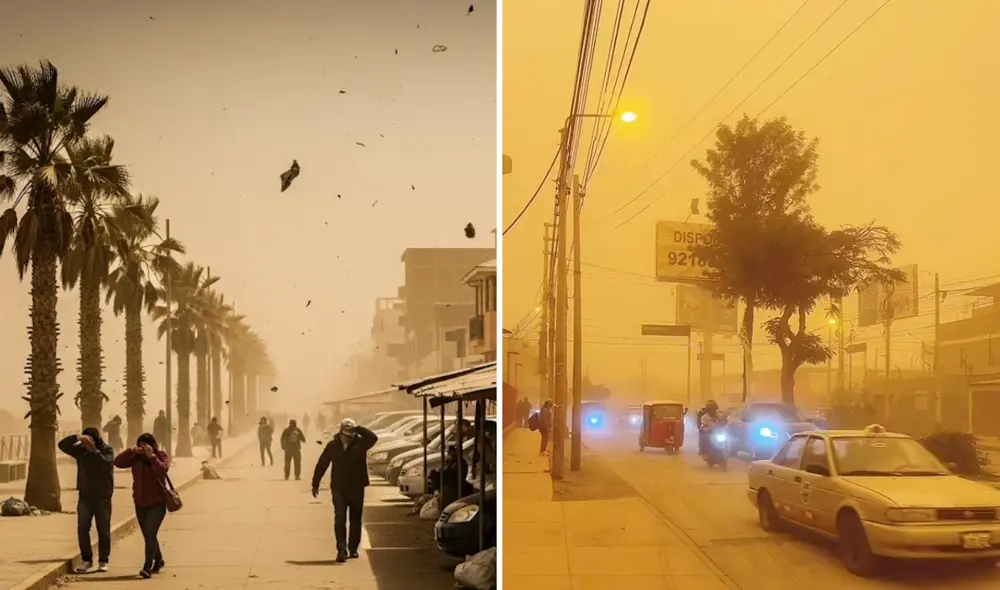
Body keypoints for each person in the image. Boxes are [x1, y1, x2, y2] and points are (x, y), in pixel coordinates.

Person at [311, 418, 378, 562]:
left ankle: (353, 548)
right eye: (345, 435)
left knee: (355, 519)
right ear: (340, 433)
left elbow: (373, 438)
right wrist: (315, 483)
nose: (347, 438)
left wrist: (358, 428)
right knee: (340, 518)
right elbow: (322, 463)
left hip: (356, 487)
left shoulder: (361, 443)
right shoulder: (333, 446)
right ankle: (341, 550)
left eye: (350, 435)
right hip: (339, 488)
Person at [113, 433, 170, 579]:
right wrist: (131, 451)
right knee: (148, 534)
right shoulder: (135, 458)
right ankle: (159, 560)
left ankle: (147, 566)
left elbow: (163, 470)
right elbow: (117, 462)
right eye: (140, 445)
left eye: (145, 445)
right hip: (140, 503)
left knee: (150, 533)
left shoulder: (160, 455)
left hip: (157, 503)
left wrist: (152, 457)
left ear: (153, 445)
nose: (143, 448)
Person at [58, 427, 115, 573]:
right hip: (85, 496)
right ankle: (86, 560)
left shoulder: (106, 449)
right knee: (83, 529)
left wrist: (93, 450)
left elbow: (106, 464)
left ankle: (103, 560)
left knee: (103, 530)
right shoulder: (80, 450)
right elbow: (62, 445)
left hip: (103, 496)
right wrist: (77, 437)